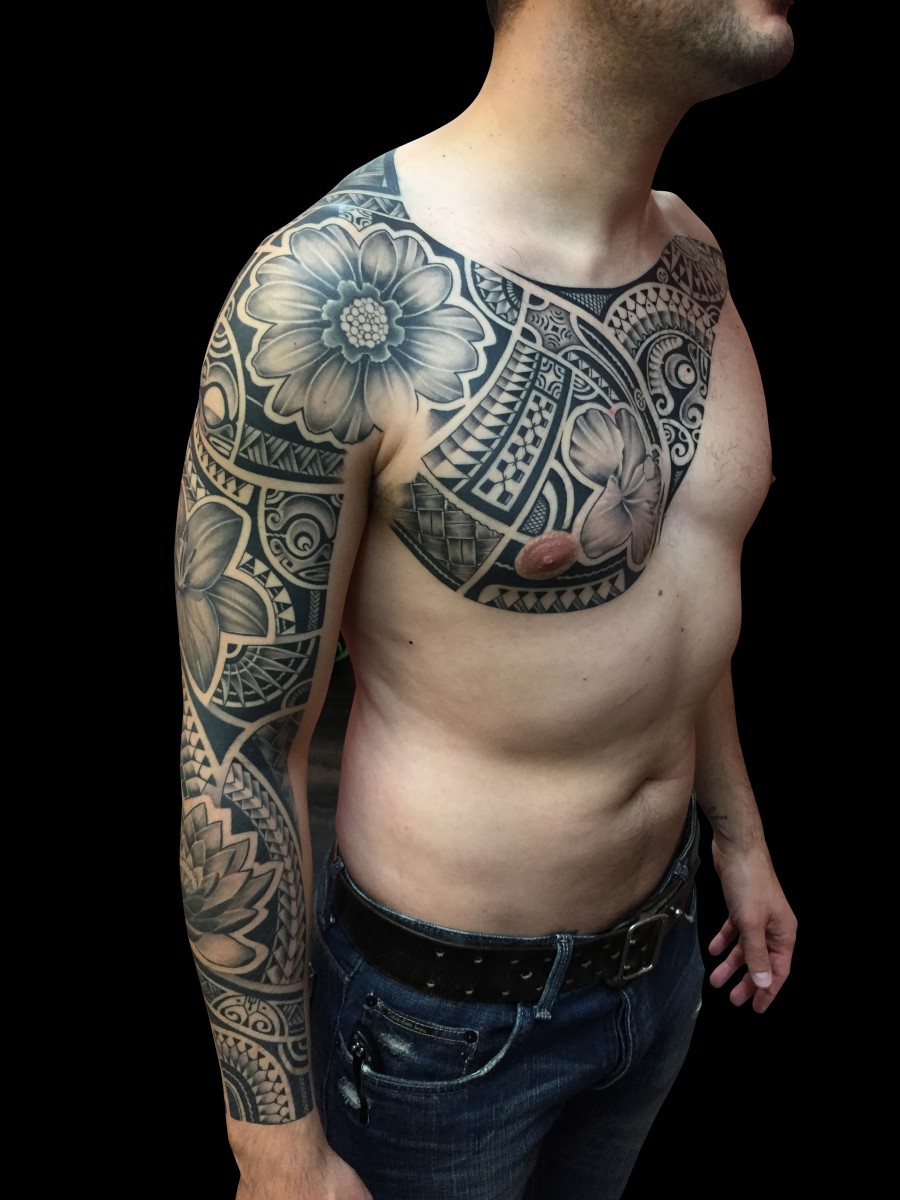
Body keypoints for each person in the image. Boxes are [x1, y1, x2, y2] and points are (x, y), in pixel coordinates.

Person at [174, 1, 799, 1196]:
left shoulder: (693, 253)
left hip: (663, 962)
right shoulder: (328, 302)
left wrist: (739, 837)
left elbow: (684, 599)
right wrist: (276, 1151)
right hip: (439, 1030)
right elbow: (236, 750)